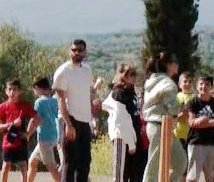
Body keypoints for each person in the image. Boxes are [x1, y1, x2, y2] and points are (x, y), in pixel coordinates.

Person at [53, 39, 96, 182]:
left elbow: (88, 95)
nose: (77, 53)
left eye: (80, 50)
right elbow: (60, 100)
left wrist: (93, 118)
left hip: (85, 121)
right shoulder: (63, 72)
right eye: (74, 50)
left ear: (85, 52)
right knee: (70, 163)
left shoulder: (87, 71)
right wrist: (68, 124)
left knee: (85, 163)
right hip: (71, 120)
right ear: (69, 52)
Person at [144, 53, 186, 182]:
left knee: (181, 161)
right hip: (159, 126)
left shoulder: (152, 80)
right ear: (169, 65)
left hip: (161, 127)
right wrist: (182, 108)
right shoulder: (168, 83)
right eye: (175, 62)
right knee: (153, 168)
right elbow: (173, 109)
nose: (177, 65)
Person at [105, 64, 147, 182]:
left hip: (135, 135)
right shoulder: (119, 94)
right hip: (122, 137)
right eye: (130, 75)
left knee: (136, 172)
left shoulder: (132, 92)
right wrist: (131, 142)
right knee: (121, 172)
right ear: (123, 76)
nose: (133, 78)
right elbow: (122, 121)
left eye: (134, 75)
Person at [187, 76, 214, 182]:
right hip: (196, 143)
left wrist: (204, 122)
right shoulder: (193, 102)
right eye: (201, 84)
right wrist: (210, 122)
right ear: (197, 86)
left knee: (211, 177)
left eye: (207, 84)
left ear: (211, 87)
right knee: (192, 177)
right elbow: (192, 122)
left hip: (212, 144)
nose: (203, 87)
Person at [0, 79, 35, 182]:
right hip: (8, 141)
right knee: (6, 166)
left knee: (23, 166)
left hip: (21, 141)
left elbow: (37, 118)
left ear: (19, 91)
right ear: (6, 91)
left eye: (15, 89)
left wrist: (29, 133)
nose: (12, 92)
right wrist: (9, 125)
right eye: (9, 89)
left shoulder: (24, 106)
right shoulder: (3, 107)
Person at [28, 78, 60, 182]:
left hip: (44, 137)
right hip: (54, 135)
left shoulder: (39, 102)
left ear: (37, 88)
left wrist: (28, 133)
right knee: (32, 161)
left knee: (51, 167)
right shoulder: (54, 100)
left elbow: (36, 120)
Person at [176, 73, 195, 153]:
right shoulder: (177, 97)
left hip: (192, 135)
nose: (187, 84)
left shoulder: (195, 98)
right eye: (185, 81)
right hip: (178, 134)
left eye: (190, 82)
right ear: (179, 85)